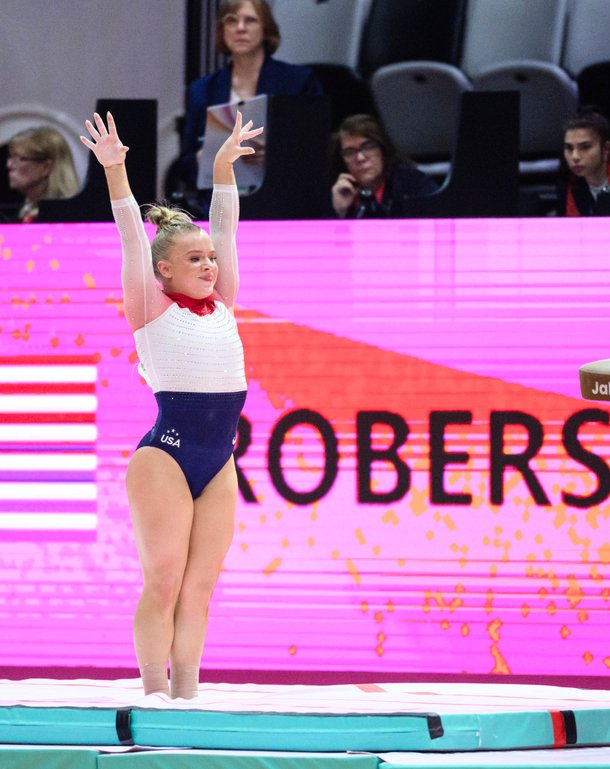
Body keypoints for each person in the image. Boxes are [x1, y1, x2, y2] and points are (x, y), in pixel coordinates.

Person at [81, 109, 262, 699]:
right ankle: (153, 695)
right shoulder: (150, 308)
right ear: (164, 271)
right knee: (163, 581)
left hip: (219, 460)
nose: (210, 265)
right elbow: (131, 235)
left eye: (210, 260)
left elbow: (226, 230)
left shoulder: (225, 302)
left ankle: (186, 695)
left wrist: (222, 168)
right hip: (165, 458)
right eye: (195, 260)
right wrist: (116, 172)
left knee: (200, 587)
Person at [175, 0, 321, 209]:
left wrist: (274, 156)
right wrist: (202, 159)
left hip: (282, 202)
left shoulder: (298, 82)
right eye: (231, 21)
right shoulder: (201, 90)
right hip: (216, 203)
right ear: (222, 30)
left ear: (266, 30)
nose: (240, 28)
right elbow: (183, 165)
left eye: (250, 20)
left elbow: (314, 151)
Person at [330, 114, 438, 219]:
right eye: (349, 152)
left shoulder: (412, 182)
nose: (360, 158)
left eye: (368, 147)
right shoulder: (337, 191)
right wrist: (338, 211)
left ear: (383, 149)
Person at [556, 111, 610, 217]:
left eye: (585, 147)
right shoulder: (567, 186)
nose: (575, 156)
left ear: (606, 149)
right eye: (569, 148)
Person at [6, 126, 80, 222]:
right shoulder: (27, 210)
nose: (9, 165)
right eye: (11, 157)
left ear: (46, 167)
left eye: (20, 159)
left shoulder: (64, 217)